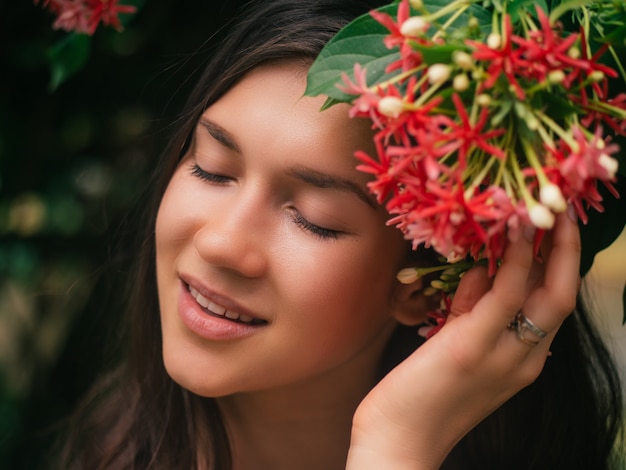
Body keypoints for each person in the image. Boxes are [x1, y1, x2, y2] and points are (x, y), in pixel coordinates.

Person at [56, 0, 624, 468]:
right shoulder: (111, 450)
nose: (220, 243)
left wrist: (396, 447)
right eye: (211, 168)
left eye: (313, 218)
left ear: (425, 287)